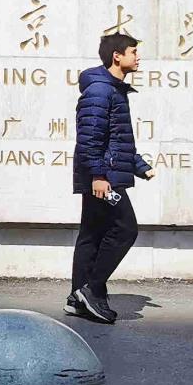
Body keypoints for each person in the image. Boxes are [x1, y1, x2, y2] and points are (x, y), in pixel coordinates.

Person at [68, 31, 154, 325]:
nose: (138, 57)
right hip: (103, 177)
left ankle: (77, 298)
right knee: (125, 229)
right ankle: (92, 289)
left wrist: (139, 165)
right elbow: (89, 138)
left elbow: (116, 137)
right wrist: (98, 175)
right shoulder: (100, 91)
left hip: (104, 172)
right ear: (117, 56)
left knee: (92, 234)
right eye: (133, 51)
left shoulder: (112, 89)